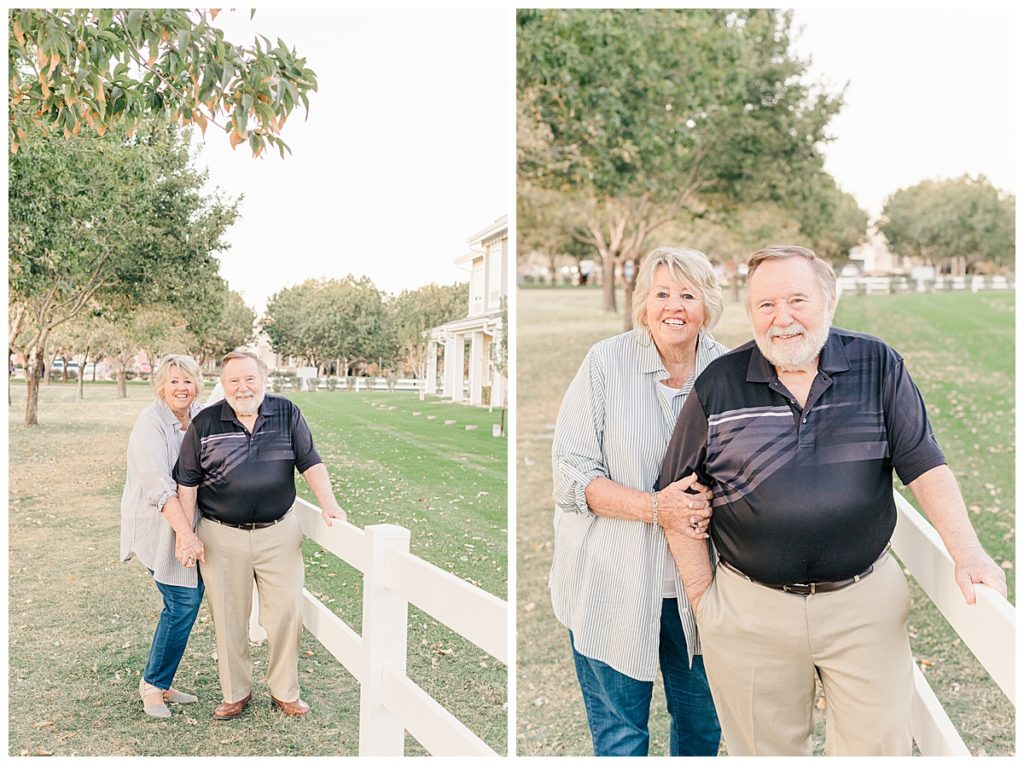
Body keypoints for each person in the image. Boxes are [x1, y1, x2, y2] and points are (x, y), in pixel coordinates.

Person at [658, 245, 1007, 756]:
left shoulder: (877, 364)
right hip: (749, 612)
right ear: (751, 311)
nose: (782, 319)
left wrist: (968, 551)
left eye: (797, 300)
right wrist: (703, 600)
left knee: (877, 751)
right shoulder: (720, 382)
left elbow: (924, 463)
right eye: (766, 306)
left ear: (829, 300)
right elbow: (677, 497)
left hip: (864, 608)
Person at [550, 247, 728, 756]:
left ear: (707, 305)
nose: (675, 306)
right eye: (662, 293)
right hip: (612, 582)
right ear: (644, 304)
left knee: (702, 732)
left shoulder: (731, 371)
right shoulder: (606, 362)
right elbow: (570, 475)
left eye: (688, 295)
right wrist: (657, 509)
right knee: (622, 739)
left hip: (702, 592)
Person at [173, 350, 347, 720]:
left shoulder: (286, 413)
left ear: (264, 379)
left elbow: (310, 461)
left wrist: (329, 504)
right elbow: (186, 484)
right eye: (233, 380)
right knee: (229, 618)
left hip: (278, 533)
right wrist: (186, 535)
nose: (242, 387)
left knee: (286, 612)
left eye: (249, 378)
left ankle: (285, 691)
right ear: (223, 385)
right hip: (221, 536)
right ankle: (236, 693)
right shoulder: (205, 423)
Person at [120, 354, 207, 718]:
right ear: (161, 386)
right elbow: (158, 486)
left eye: (187, 380)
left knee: (186, 600)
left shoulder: (202, 417)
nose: (181, 388)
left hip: (191, 522)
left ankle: (162, 680)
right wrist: (185, 536)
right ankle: (153, 686)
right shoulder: (149, 423)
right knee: (182, 601)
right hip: (159, 522)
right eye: (173, 381)